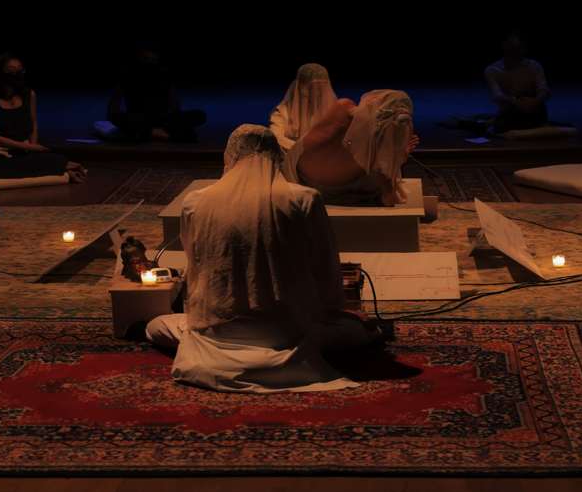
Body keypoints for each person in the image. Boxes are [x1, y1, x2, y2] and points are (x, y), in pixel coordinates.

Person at [143, 124, 381, 392]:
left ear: (230, 157)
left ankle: (224, 358)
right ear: (276, 158)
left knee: (155, 326)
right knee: (359, 332)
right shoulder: (304, 199)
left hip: (218, 334)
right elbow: (324, 267)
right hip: (288, 333)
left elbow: (196, 264)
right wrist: (333, 309)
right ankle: (281, 359)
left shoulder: (195, 202)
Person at [289, 89, 418, 206]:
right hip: (312, 181)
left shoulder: (345, 109)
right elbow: (389, 196)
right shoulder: (346, 111)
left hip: (310, 177)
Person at [0, 54, 83, 181]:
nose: (15, 74)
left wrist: (33, 148)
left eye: (19, 70)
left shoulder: (29, 95)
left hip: (23, 150)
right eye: (10, 70)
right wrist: (28, 147)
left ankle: (54, 167)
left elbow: (33, 124)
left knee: (53, 158)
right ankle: (60, 170)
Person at [104, 44, 207, 143]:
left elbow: (175, 107)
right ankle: (154, 133)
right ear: (139, 57)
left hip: (161, 120)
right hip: (139, 119)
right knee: (120, 120)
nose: (149, 62)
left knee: (199, 116)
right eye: (146, 58)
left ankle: (148, 133)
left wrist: (171, 118)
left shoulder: (163, 74)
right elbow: (113, 110)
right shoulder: (128, 74)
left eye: (152, 59)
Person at [485, 32, 551, 132]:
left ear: (524, 49)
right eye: (512, 47)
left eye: (519, 48)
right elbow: (497, 95)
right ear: (504, 46)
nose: (515, 51)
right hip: (510, 111)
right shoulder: (493, 70)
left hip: (534, 110)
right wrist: (516, 102)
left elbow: (544, 90)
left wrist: (535, 101)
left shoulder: (534, 66)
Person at [268, 62, 337, 152]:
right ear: (300, 88)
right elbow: (276, 137)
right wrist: (303, 148)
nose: (316, 93)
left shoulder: (332, 110)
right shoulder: (282, 112)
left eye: (320, 89)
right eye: (312, 88)